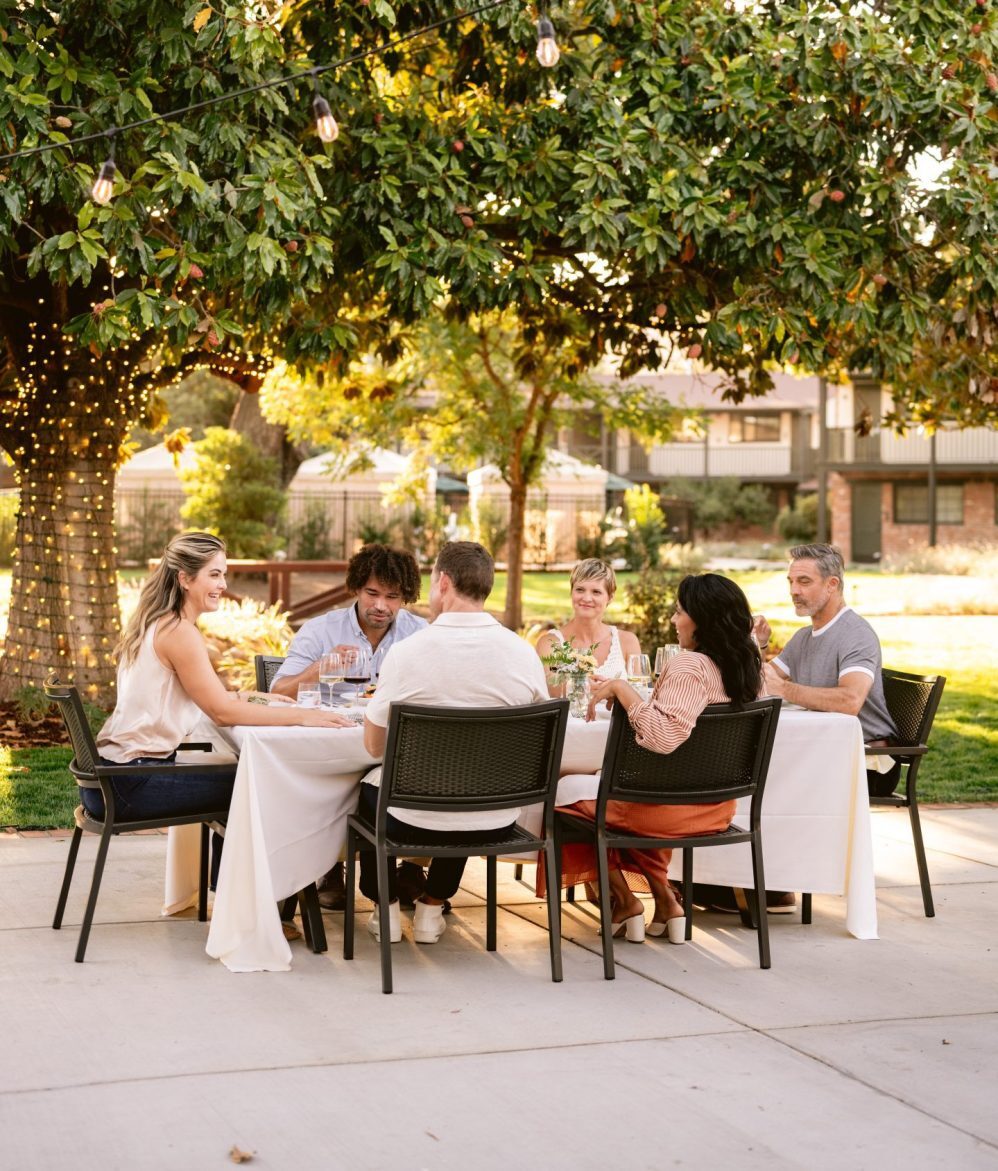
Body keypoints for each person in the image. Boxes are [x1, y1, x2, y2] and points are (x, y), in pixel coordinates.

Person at [551, 573, 764, 944]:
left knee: (559, 793)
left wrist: (621, 688)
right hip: (718, 807)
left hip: (667, 811)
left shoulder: (690, 665)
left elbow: (663, 737)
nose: (672, 620)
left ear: (702, 619)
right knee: (612, 787)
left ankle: (624, 900)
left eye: (679, 612)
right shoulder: (748, 668)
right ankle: (665, 902)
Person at [359, 541, 549, 944]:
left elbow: (374, 747)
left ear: (443, 582)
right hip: (496, 818)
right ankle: (431, 907)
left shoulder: (408, 653)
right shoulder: (524, 654)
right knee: (467, 783)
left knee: (364, 791)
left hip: (411, 818)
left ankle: (386, 906)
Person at [92, 532, 350, 827]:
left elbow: (214, 697)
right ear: (185, 579)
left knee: (252, 776)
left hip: (115, 777)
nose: (223, 585)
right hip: (131, 783)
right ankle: (250, 874)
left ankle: (227, 875)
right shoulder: (178, 631)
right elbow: (221, 713)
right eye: (214, 575)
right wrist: (301, 717)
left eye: (223, 575)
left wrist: (256, 697)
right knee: (267, 783)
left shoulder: (162, 622)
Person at [269, 543, 428, 909]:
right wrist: (319, 669)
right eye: (372, 593)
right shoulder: (321, 629)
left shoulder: (421, 633)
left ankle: (411, 867)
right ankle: (326, 868)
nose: (381, 606)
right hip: (333, 749)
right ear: (357, 587)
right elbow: (278, 691)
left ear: (405, 597)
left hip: (393, 748)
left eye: (393, 596)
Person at [761, 542, 899, 792]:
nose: (793, 591)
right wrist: (758, 645)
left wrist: (785, 689)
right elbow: (761, 683)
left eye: (804, 581)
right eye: (790, 581)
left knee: (770, 781)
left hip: (867, 762)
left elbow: (850, 701)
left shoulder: (856, 634)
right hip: (823, 750)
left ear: (831, 584)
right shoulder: (803, 637)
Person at [535, 559, 642, 691]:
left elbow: (639, 694)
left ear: (610, 597)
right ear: (571, 592)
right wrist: (584, 685)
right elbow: (550, 687)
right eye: (580, 590)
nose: (586, 598)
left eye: (596, 592)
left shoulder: (627, 642)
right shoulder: (550, 643)